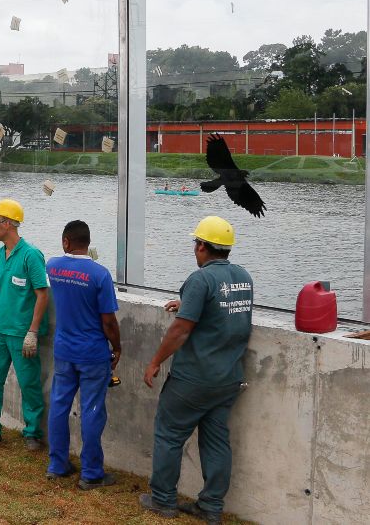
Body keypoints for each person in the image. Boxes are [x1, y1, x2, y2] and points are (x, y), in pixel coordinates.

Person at [140, 216, 252, 524]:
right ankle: (211, 506)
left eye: (196, 243)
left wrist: (154, 362)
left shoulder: (200, 279)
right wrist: (187, 302)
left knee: (169, 434)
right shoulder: (244, 277)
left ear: (202, 246)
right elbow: (222, 310)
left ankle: (163, 499)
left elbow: (181, 331)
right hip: (228, 378)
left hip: (194, 379)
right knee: (216, 441)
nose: (195, 248)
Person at [45, 220, 121, 489]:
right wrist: (118, 346)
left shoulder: (52, 267)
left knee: (59, 405)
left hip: (64, 350)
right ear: (88, 243)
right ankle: (91, 473)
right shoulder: (100, 275)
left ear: (66, 241)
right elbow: (109, 321)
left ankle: (57, 464)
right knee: (91, 410)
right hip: (92, 354)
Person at [0, 198, 49, 451]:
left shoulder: (31, 256)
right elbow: (0, 290)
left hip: (20, 333)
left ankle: (32, 432)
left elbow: (42, 294)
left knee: (28, 383)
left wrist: (32, 332)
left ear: (8, 224)